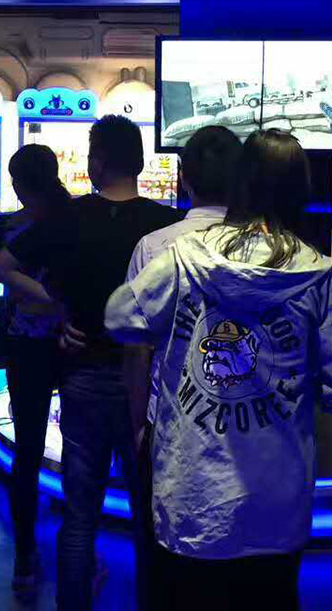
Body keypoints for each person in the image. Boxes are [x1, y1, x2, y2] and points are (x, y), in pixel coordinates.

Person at [104, 129, 332, 611]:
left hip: (193, 492)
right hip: (277, 497)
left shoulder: (185, 256)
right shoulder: (315, 270)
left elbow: (122, 318)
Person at [0, 115, 182, 611]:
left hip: (85, 371)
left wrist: (57, 308)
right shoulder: (165, 225)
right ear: (140, 161)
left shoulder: (70, 217)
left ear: (96, 162)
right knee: (149, 515)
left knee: (79, 515)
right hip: (149, 384)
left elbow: (1, 266)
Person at [0, 144, 72, 597]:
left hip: (25, 346)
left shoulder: (5, 228)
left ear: (17, 183)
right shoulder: (76, 220)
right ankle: (80, 551)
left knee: (29, 449)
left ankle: (25, 557)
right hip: (74, 343)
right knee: (80, 448)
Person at [123, 125, 242, 439]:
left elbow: (137, 349)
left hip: (170, 422)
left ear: (183, 178)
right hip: (247, 425)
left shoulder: (152, 248)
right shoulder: (275, 251)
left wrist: (137, 425)